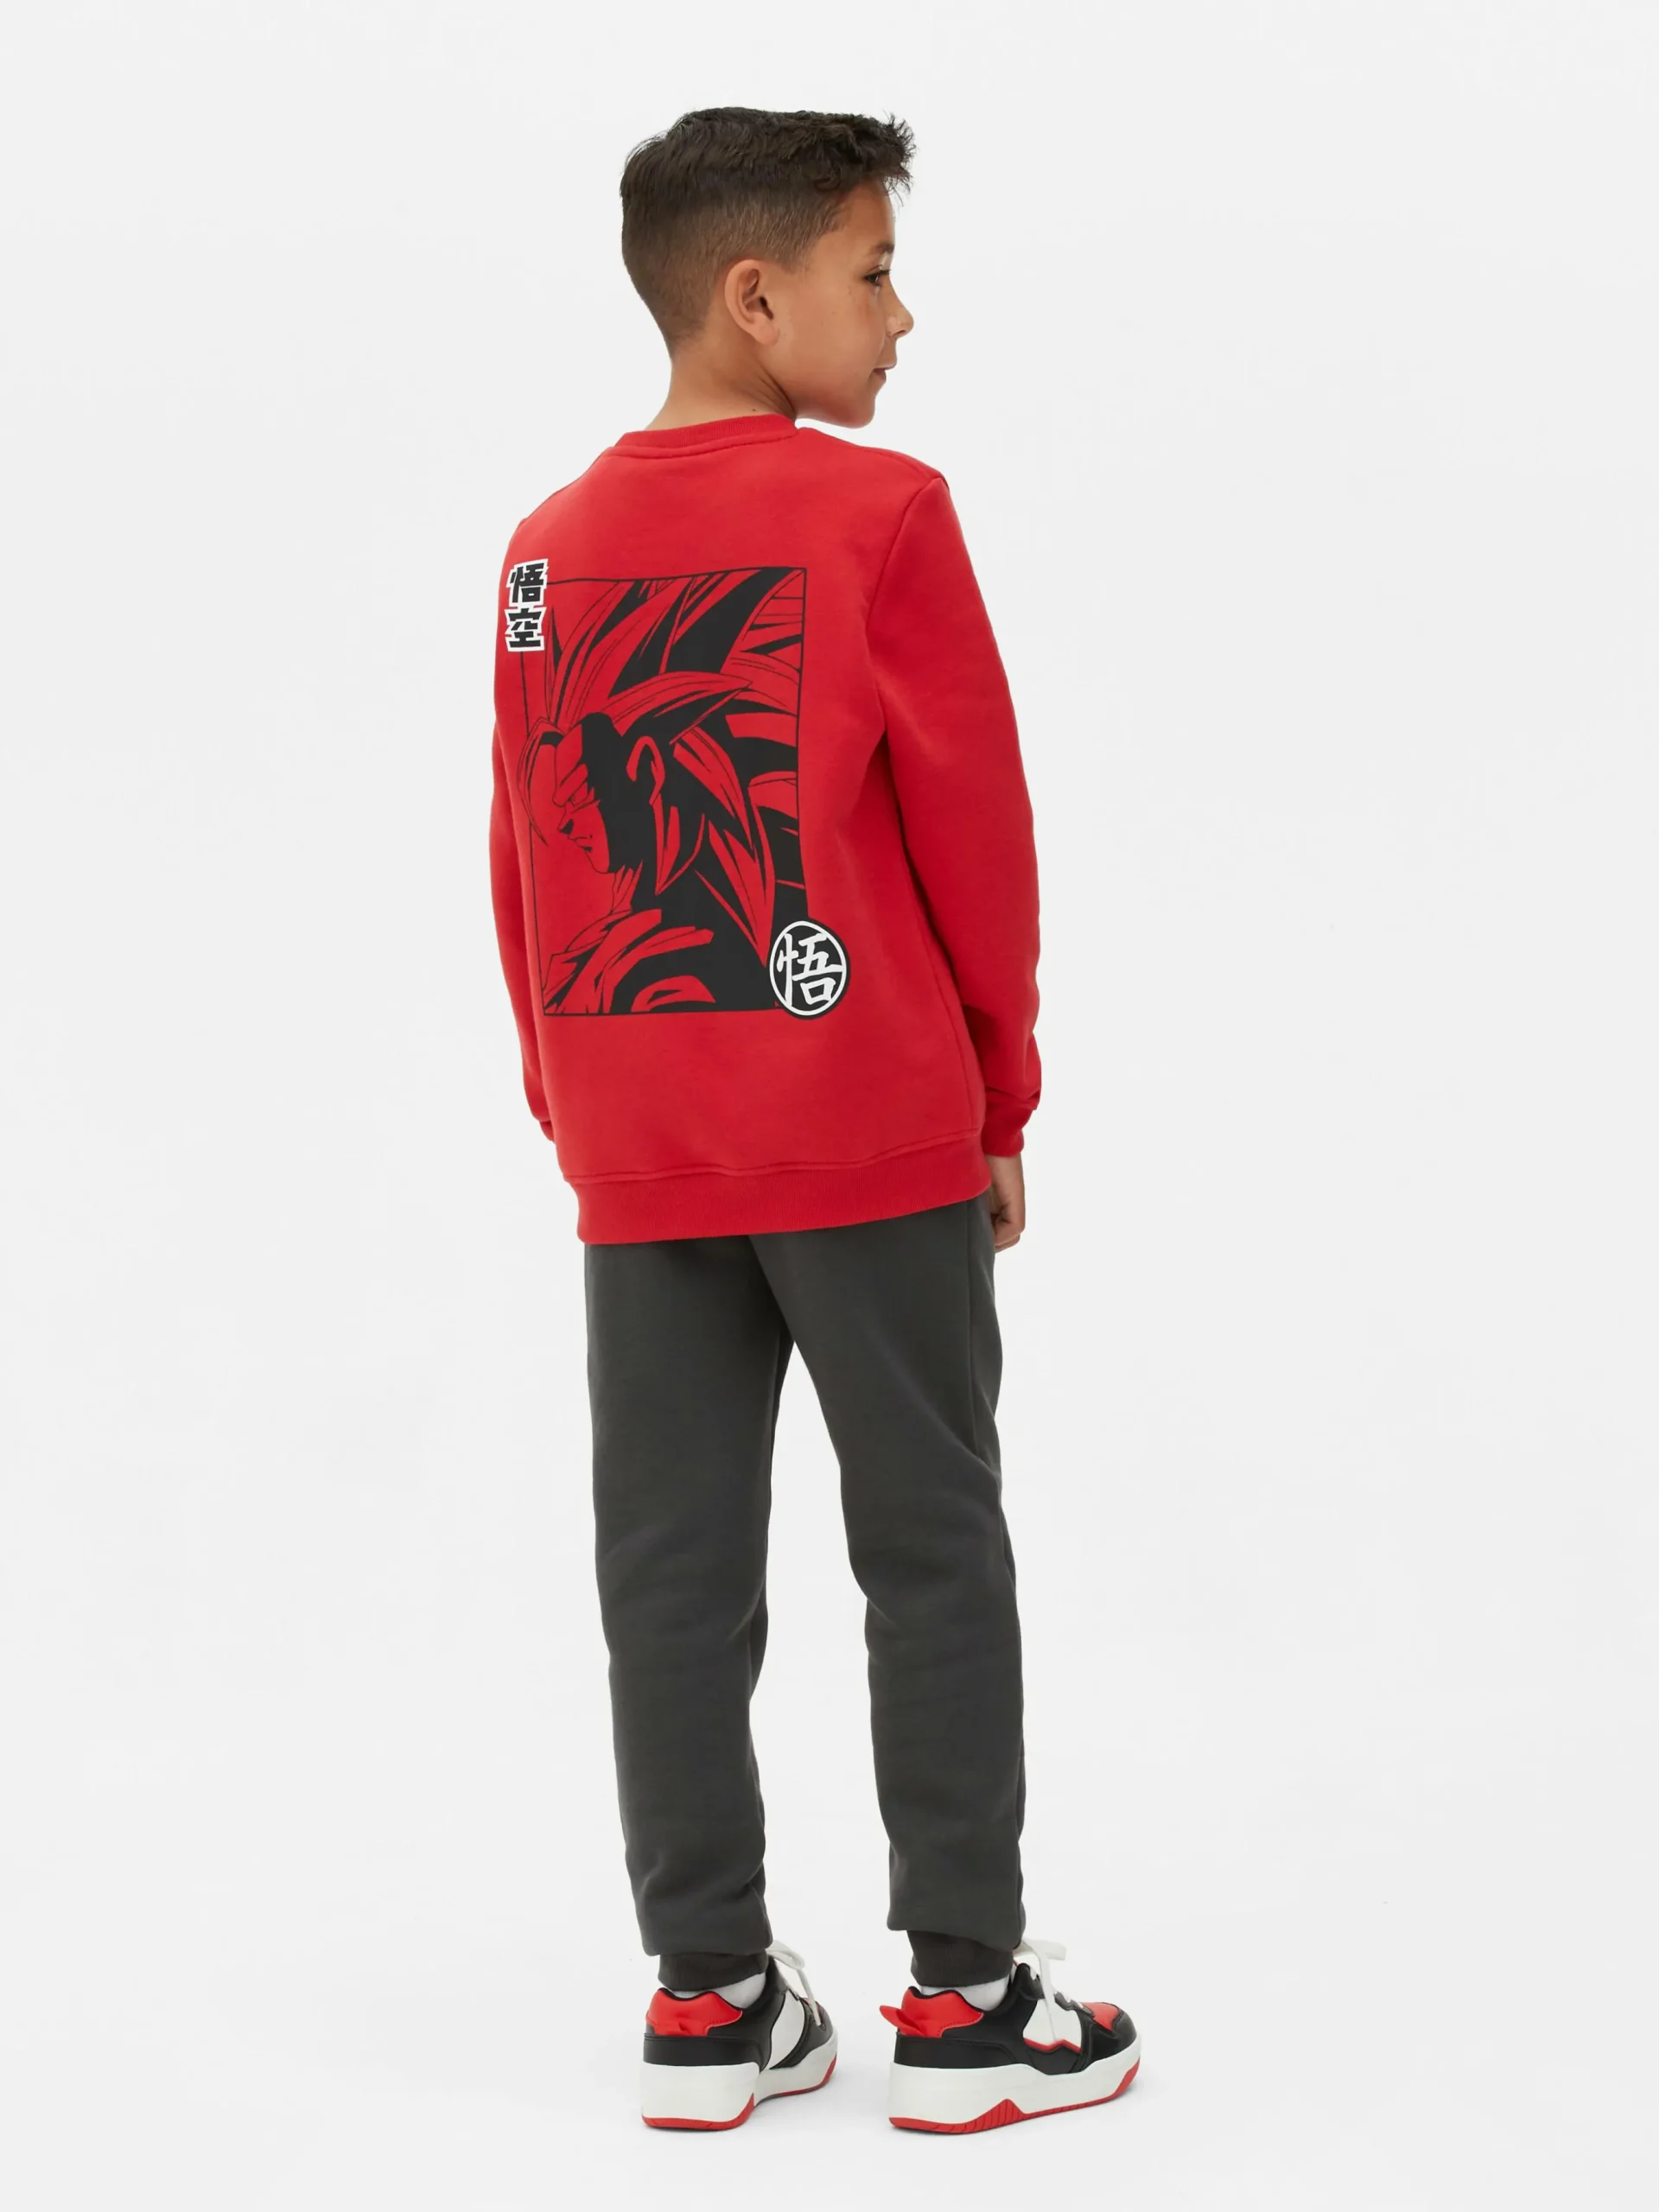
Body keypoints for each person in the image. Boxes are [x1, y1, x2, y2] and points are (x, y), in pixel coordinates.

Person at [486, 105, 1140, 2135]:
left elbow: (529, 857)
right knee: (930, 1538)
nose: (902, 314)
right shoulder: (883, 517)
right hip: (864, 1126)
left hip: (642, 1142)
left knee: (668, 1569)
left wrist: (581, 1105)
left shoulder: (542, 555)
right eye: (874, 272)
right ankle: (965, 1998)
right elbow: (975, 837)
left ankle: (705, 1996)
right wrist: (1000, 1087)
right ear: (757, 296)